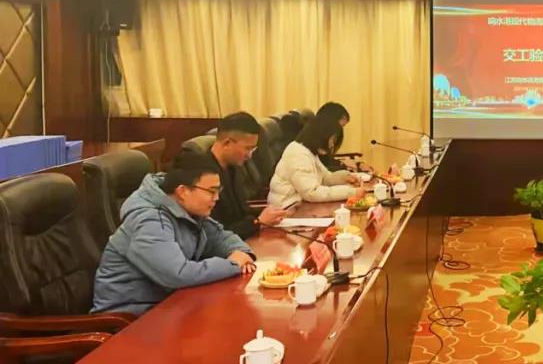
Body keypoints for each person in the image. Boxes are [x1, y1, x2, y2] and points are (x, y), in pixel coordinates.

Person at [91, 158, 256, 315]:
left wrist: (241, 252)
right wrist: (233, 264)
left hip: (169, 305)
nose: (217, 198)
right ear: (182, 191)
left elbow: (220, 237)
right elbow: (177, 274)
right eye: (212, 191)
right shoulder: (148, 220)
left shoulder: (187, 209)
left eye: (219, 190)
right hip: (131, 318)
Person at [176, 112, 287, 239]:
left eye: (253, 149)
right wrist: (258, 222)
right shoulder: (203, 177)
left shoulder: (233, 167)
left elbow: (241, 212)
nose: (249, 155)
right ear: (227, 143)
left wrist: (269, 213)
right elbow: (214, 233)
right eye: (247, 148)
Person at [268, 114, 360, 207]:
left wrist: (344, 177)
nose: (332, 145)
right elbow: (312, 193)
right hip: (286, 208)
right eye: (331, 140)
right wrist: (351, 192)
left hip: (301, 204)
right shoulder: (298, 154)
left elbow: (324, 178)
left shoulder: (309, 151)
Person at [315, 102, 352, 171]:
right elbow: (323, 168)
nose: (339, 131)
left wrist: (358, 164)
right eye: (340, 126)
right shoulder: (313, 143)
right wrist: (343, 166)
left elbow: (328, 161)